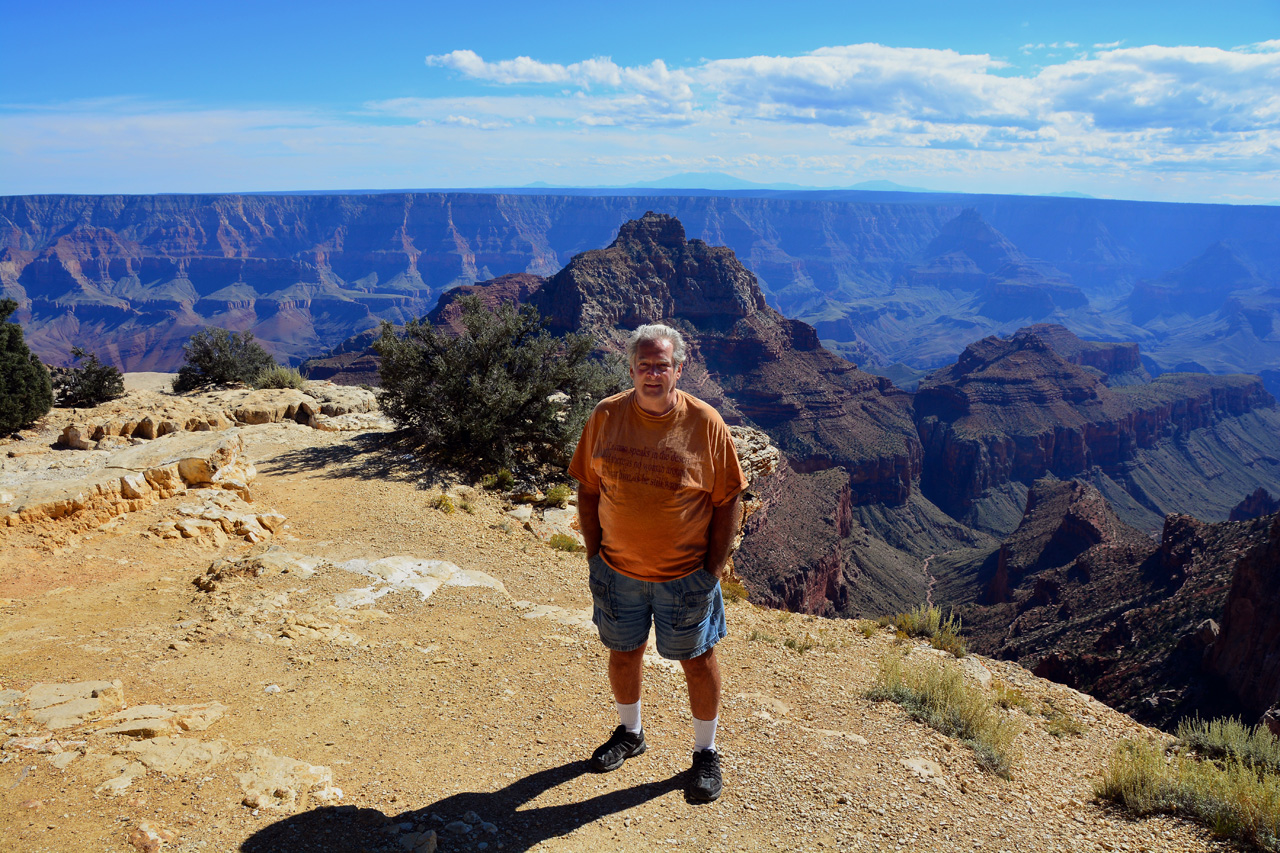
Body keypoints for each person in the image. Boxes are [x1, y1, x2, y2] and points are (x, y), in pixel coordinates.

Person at [568, 323, 745, 803]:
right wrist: (593, 555)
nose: (652, 374)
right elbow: (587, 488)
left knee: (698, 659)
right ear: (631, 369)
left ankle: (705, 753)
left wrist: (711, 572)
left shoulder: (706, 423)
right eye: (643, 365)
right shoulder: (606, 416)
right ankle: (631, 733)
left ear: (678, 369)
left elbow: (729, 500)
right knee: (624, 652)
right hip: (617, 571)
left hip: (685, 577)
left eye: (661, 365)